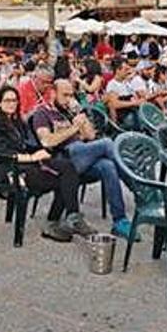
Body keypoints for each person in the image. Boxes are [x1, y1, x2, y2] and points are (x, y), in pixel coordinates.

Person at [0, 86, 96, 242]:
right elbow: (3, 154)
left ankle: (70, 218)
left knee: (67, 167)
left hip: (26, 164)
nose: (12, 104)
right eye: (7, 100)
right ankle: (56, 222)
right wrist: (33, 157)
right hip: (10, 170)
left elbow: (26, 144)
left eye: (14, 100)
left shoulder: (15, 121)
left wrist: (43, 150)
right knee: (65, 179)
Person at [32, 80, 137, 240]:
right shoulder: (42, 113)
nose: (68, 98)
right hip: (62, 159)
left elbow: (91, 136)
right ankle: (138, 188)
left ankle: (119, 220)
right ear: (53, 93)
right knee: (107, 143)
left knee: (107, 166)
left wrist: (81, 118)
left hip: (81, 155)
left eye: (71, 95)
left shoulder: (70, 110)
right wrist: (73, 128)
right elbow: (47, 141)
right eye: (64, 95)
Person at [103, 57, 142, 128]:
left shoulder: (126, 83)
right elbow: (114, 104)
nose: (128, 72)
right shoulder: (113, 85)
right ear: (118, 70)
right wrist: (134, 103)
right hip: (125, 116)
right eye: (126, 70)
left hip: (133, 111)